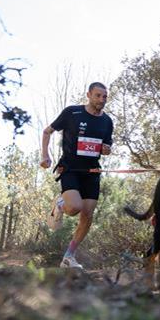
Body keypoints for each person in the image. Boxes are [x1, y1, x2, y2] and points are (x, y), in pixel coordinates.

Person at [40, 81, 113, 269]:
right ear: (88, 95)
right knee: (74, 208)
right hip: (70, 169)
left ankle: (68, 257)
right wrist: (45, 155)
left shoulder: (107, 121)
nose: (101, 99)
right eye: (97, 95)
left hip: (92, 172)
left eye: (104, 96)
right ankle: (61, 204)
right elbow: (47, 131)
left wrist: (106, 150)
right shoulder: (72, 112)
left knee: (87, 216)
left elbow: (106, 148)